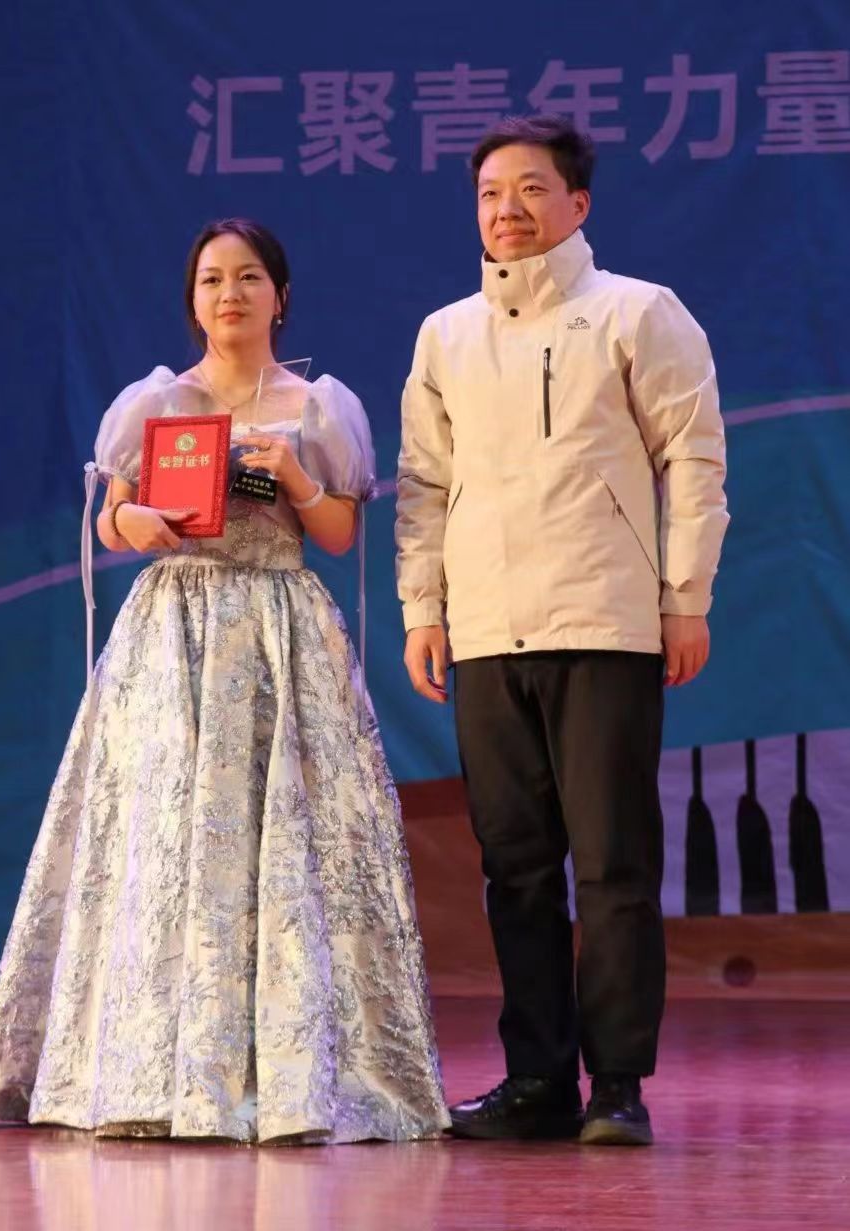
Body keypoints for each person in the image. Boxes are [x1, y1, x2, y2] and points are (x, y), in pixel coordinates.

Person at [0, 218, 449, 1145]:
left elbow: (339, 534)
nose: (230, 294)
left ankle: (287, 1074)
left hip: (276, 626)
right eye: (213, 279)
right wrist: (132, 523)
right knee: (165, 835)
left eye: (249, 277)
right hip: (172, 630)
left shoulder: (316, 406)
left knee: (285, 838)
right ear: (192, 298)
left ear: (279, 295)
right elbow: (113, 519)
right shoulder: (155, 404)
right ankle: (150, 1063)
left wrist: (296, 478)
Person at [396, 116, 728, 1146]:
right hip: (487, 631)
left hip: (604, 619)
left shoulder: (638, 312)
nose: (508, 208)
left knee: (613, 863)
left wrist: (683, 596)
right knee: (516, 869)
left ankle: (616, 1083)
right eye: (490, 192)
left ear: (576, 204)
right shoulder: (446, 335)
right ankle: (536, 1077)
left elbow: (693, 460)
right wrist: (423, 609)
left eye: (531, 188)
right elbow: (423, 485)